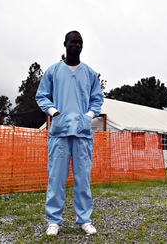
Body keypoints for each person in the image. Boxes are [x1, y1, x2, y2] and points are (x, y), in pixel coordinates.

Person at [35, 30, 104, 236]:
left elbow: (97, 99)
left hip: (82, 133)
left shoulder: (90, 73)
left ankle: (84, 219)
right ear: (65, 44)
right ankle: (54, 221)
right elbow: (41, 96)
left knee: (83, 178)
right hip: (60, 132)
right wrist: (54, 112)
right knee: (56, 177)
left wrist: (88, 116)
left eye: (80, 42)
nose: (77, 45)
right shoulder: (53, 71)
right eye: (73, 42)